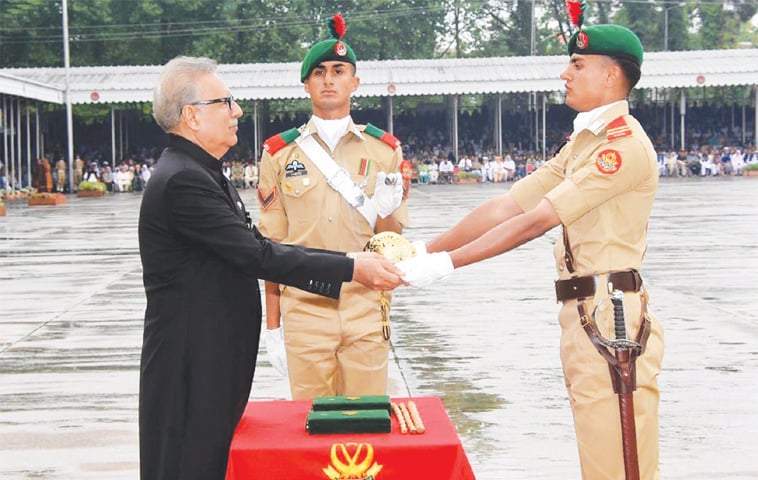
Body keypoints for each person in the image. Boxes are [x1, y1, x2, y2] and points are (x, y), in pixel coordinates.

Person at [398, 22, 664, 480]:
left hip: (610, 315)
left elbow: (538, 219)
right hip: (586, 311)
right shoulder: (585, 143)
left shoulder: (620, 149)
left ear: (610, 76)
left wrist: (447, 264)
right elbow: (508, 204)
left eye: (577, 64)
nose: (565, 73)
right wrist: (423, 250)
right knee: (599, 453)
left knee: (620, 462)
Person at [138, 55, 403, 480]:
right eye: (225, 102)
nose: (237, 111)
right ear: (191, 116)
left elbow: (256, 247)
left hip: (210, 358)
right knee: (189, 464)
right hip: (192, 365)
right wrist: (351, 266)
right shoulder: (184, 180)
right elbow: (260, 255)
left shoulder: (203, 173)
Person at [257, 13, 408, 400]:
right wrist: (272, 327)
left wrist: (388, 209)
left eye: (339, 70)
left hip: (365, 307)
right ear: (306, 84)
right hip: (305, 309)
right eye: (319, 72)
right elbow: (270, 248)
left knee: (365, 426)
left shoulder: (384, 151)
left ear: (354, 82)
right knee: (312, 429)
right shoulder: (278, 153)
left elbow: (391, 243)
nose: (328, 79)